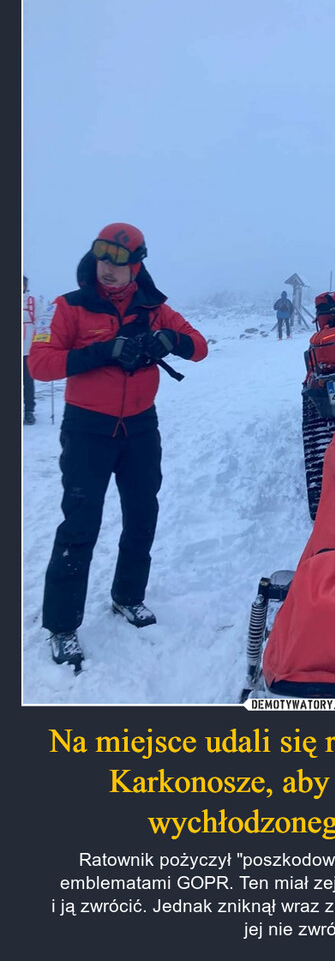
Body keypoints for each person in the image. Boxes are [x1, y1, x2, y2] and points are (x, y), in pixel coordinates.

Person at [27, 223, 208, 669]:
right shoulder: (67, 307)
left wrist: (170, 339)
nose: (109, 270)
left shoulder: (155, 306)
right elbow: (40, 365)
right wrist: (107, 351)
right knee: (80, 525)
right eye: (104, 260)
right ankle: (62, 625)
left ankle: (128, 597)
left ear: (137, 266)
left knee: (143, 514)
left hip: (141, 430)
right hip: (88, 431)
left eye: (120, 264)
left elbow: (199, 348)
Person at [23, 275, 36, 424]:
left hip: (27, 349)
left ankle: (29, 411)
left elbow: (42, 321)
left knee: (27, 381)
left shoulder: (32, 301)